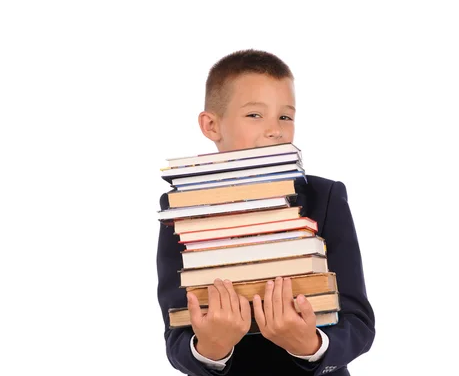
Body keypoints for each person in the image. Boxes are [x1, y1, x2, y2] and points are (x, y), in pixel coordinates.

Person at [156, 49, 375, 375]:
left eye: (285, 117)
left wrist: (311, 346)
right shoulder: (184, 208)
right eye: (255, 115)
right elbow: (177, 336)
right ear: (212, 125)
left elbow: (358, 322)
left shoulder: (324, 196)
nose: (275, 130)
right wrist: (212, 348)